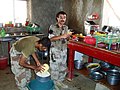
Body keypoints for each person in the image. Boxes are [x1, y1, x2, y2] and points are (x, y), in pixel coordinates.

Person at [48, 11, 72, 89]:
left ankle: (60, 82)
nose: (62, 19)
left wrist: (68, 37)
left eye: (64, 17)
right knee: (55, 69)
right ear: (57, 18)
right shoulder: (52, 27)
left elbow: (66, 38)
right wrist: (63, 36)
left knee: (63, 68)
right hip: (55, 50)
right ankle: (54, 85)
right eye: (61, 17)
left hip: (64, 50)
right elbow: (50, 39)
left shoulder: (66, 27)